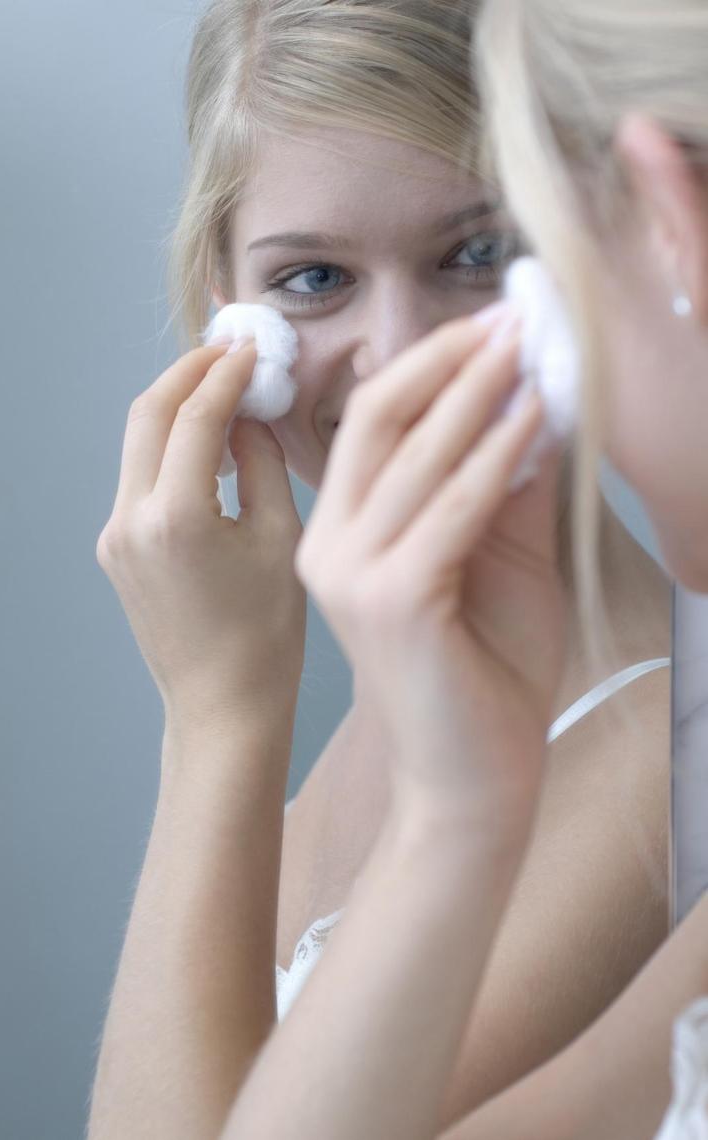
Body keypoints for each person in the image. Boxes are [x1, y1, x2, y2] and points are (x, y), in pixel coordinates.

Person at [86, 1, 675, 1137]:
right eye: (314, 279)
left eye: (479, 253)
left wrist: (217, 717)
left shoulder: (661, 759)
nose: (404, 351)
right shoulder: (376, 733)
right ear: (231, 323)